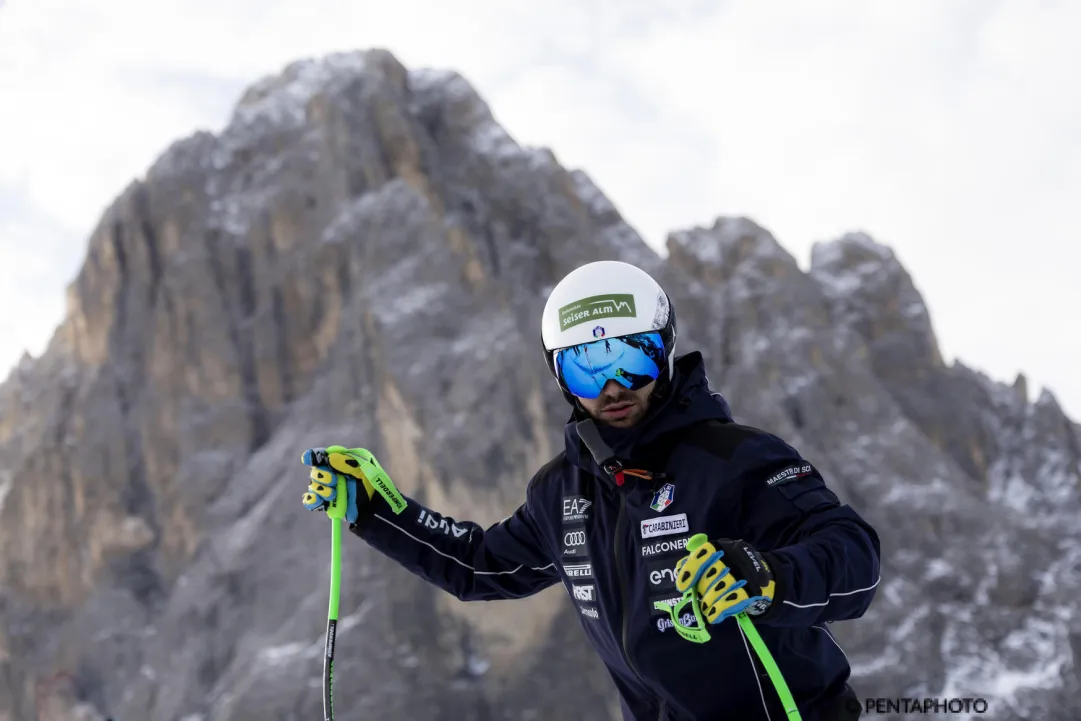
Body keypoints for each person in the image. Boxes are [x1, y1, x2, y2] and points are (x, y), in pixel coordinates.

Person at [301, 260, 880, 720]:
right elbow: (481, 567)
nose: (612, 387)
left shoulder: (735, 458)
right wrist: (375, 511)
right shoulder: (562, 491)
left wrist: (766, 575)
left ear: (666, 352)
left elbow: (853, 555)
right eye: (585, 369)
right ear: (560, 378)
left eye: (633, 357)